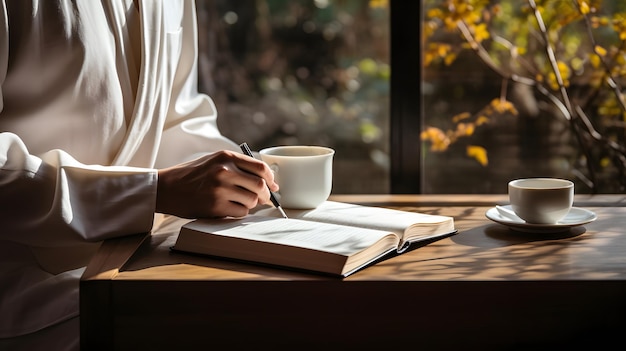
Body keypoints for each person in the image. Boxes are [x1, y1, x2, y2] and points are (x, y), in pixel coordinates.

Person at [0, 1, 278, 350]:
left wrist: (230, 176)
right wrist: (153, 192)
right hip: (27, 287)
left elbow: (176, 119)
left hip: (132, 257)